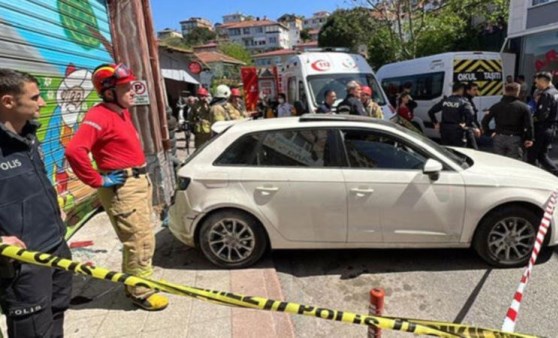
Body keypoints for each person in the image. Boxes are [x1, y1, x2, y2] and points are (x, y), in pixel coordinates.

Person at [65, 63, 168, 311]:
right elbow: (74, 150)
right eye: (126, 87)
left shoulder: (120, 112)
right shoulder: (98, 116)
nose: (132, 91)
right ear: (109, 92)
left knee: (141, 237)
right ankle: (141, 292)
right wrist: (98, 181)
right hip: (123, 187)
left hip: (138, 181)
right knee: (139, 240)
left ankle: (136, 281)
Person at [0, 69, 72, 337]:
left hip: (56, 246)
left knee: (56, 316)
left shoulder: (28, 136)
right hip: (23, 264)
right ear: (8, 101)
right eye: (36, 97)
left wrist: (54, 206)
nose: (42, 102)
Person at [481, 82, 533, 159]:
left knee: (498, 161)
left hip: (499, 137)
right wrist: (529, 138)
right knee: (513, 163)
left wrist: (489, 133)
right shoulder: (523, 107)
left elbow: (484, 121)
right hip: (515, 138)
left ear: (505, 91)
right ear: (518, 92)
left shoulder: (496, 106)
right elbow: (529, 125)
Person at [527, 71, 558, 175]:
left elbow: (541, 115)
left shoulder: (546, 94)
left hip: (542, 129)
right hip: (551, 127)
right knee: (542, 155)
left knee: (532, 156)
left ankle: (532, 177)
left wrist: (530, 120)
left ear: (544, 81)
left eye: (537, 82)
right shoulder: (555, 92)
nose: (536, 85)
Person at [428, 82, 478, 147]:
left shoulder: (445, 100)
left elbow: (431, 112)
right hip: (458, 131)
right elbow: (471, 115)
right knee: (460, 153)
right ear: (461, 89)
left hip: (445, 131)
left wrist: (435, 123)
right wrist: (466, 124)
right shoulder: (463, 101)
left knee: (447, 151)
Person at [464, 82, 481, 149]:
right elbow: (470, 117)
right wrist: (475, 127)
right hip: (468, 129)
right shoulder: (466, 101)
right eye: (474, 90)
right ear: (468, 91)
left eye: (476, 89)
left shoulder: (469, 99)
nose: (476, 92)